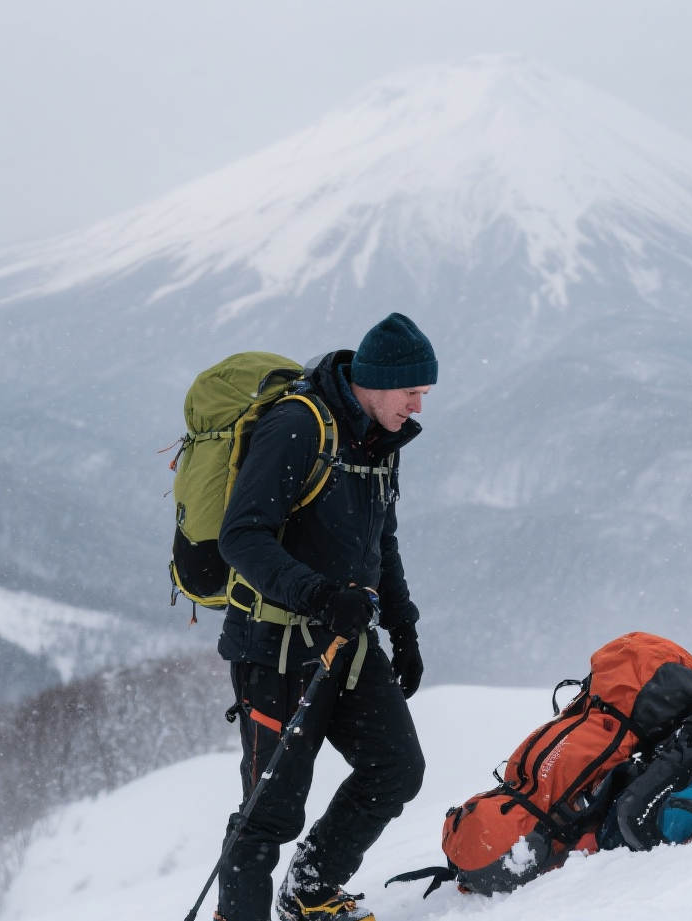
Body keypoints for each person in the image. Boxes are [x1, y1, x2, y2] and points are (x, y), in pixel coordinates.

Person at [210, 313, 435, 921]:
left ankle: (309, 890)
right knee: (269, 814)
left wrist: (403, 627)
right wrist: (319, 596)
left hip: (349, 643)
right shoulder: (297, 427)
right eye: (412, 392)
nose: (418, 407)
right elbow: (242, 538)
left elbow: (380, 544)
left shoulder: (378, 441)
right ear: (377, 382)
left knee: (394, 769)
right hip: (275, 648)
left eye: (423, 394)